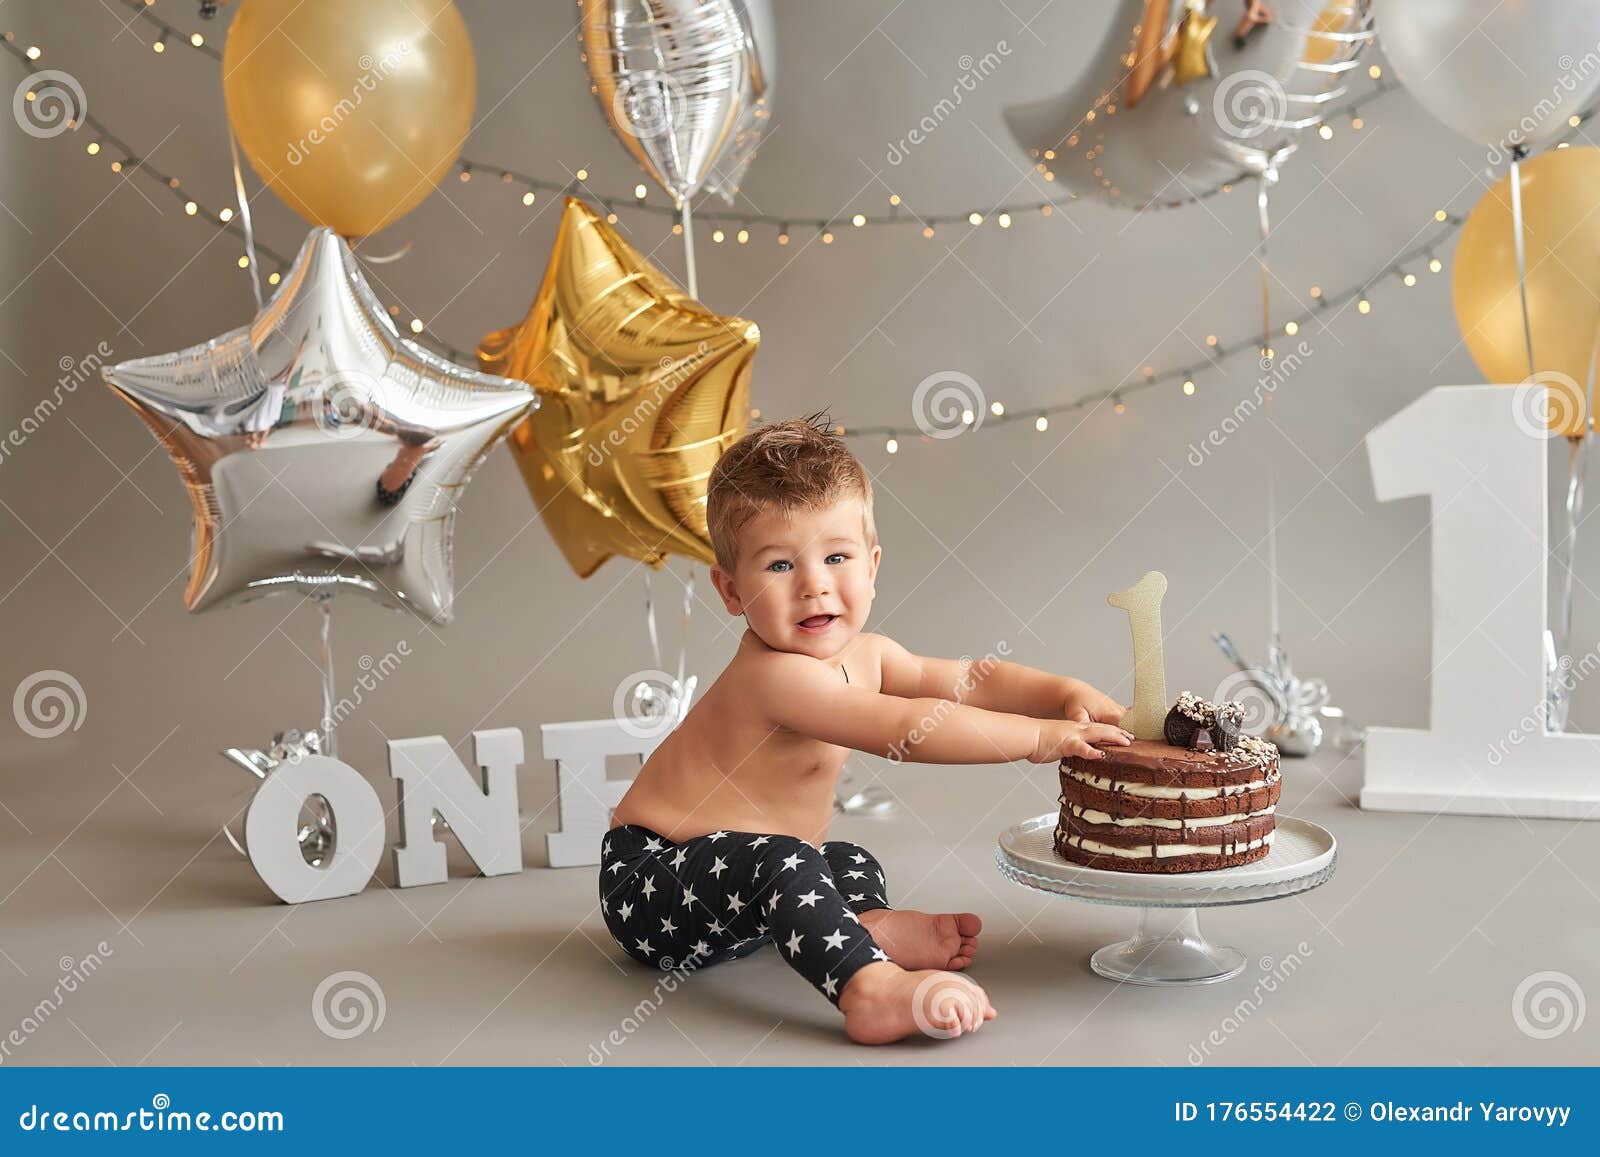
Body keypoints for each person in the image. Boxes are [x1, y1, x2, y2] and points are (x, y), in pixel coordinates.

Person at [601, 412, 1131, 1044]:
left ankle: (864, 926)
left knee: (845, 858)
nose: (814, 586)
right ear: (730, 589)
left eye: (836, 556)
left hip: (745, 898)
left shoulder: (873, 655)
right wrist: (1043, 739)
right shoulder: (774, 677)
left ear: (872, 565)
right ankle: (868, 988)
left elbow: (970, 679)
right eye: (777, 566)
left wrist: (1061, 693)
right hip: (656, 885)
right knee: (787, 859)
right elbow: (905, 727)